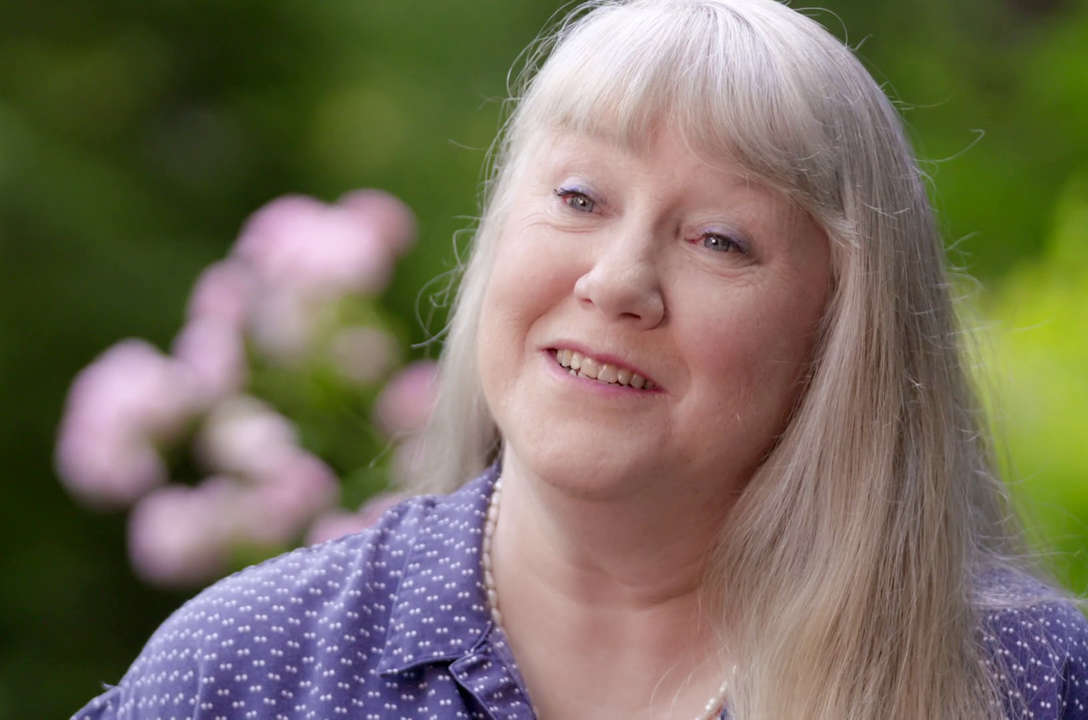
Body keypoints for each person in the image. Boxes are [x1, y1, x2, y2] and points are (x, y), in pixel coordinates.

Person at [73, 1, 1088, 718]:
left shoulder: (1030, 688)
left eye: (718, 240)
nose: (616, 280)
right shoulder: (249, 673)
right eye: (578, 198)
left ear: (841, 336)